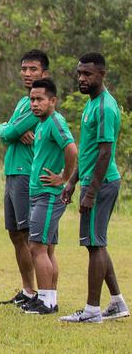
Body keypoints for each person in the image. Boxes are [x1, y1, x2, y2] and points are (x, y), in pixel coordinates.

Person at [60, 52, 127, 323]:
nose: (82, 78)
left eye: (87, 74)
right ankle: (117, 302)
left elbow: (105, 153)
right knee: (95, 243)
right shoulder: (91, 104)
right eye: (79, 73)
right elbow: (88, 152)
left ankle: (91, 311)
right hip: (91, 181)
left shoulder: (104, 107)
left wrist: (91, 192)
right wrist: (72, 181)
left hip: (102, 184)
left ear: (102, 74)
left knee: (95, 244)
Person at [0, 49, 49, 308]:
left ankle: (44, 294)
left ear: (44, 73)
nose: (27, 73)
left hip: (27, 173)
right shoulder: (23, 101)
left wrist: (10, 130)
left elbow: (8, 132)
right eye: (24, 69)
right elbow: (6, 131)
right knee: (15, 234)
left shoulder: (36, 103)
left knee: (30, 236)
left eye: (33, 69)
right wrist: (9, 129)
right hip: (12, 172)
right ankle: (28, 290)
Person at [21, 77, 76, 316]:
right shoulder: (41, 123)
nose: (34, 104)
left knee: (37, 247)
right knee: (47, 248)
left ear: (53, 100)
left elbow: (71, 148)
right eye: (32, 99)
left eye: (39, 99)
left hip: (48, 195)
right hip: (39, 194)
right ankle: (49, 298)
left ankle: (45, 302)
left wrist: (64, 177)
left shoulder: (55, 121)